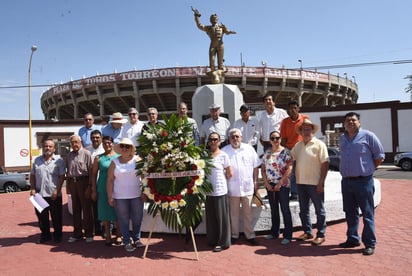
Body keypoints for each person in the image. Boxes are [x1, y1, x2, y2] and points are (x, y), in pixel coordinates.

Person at [338, 112, 385, 256]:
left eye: (353, 120)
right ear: (344, 124)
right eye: (348, 121)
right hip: (346, 182)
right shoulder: (342, 138)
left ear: (359, 122)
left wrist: (368, 169)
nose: (350, 122)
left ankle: (370, 243)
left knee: (367, 213)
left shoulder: (369, 136)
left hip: (363, 181)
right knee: (350, 213)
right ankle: (352, 239)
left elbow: (379, 156)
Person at [291, 119, 329, 246]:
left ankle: (321, 234)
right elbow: (290, 159)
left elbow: (325, 163)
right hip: (301, 183)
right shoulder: (298, 146)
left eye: (308, 129)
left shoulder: (319, 144)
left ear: (312, 131)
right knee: (303, 210)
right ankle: (308, 232)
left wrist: (321, 182)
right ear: (301, 132)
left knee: (320, 209)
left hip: (315, 183)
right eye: (304, 129)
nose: (306, 131)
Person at [222, 128, 261, 245]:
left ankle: (250, 235)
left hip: (247, 187)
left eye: (237, 136)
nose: (235, 139)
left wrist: (255, 182)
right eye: (233, 137)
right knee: (233, 214)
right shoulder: (224, 151)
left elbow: (255, 166)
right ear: (229, 139)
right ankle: (234, 235)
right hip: (232, 189)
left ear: (241, 137)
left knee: (248, 213)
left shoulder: (249, 149)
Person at [107, 137, 144, 252]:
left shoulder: (138, 160)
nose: (124, 148)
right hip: (120, 196)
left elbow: (145, 177)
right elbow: (110, 180)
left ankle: (136, 239)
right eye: (122, 146)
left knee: (137, 218)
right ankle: (127, 241)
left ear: (131, 148)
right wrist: (110, 196)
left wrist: (145, 192)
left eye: (127, 146)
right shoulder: (114, 162)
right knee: (123, 220)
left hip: (137, 195)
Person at [261, 131, 293, 245]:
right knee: (274, 209)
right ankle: (275, 232)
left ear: (280, 139)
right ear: (270, 140)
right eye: (272, 138)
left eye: (277, 138)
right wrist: (266, 184)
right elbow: (263, 169)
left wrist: (280, 182)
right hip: (270, 185)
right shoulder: (267, 153)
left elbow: (289, 168)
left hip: (282, 185)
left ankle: (288, 235)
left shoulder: (286, 152)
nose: (275, 140)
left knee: (285, 209)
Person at [30, 139, 66, 244]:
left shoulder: (59, 161)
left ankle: (58, 235)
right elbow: (32, 175)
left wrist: (57, 190)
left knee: (56, 217)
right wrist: (32, 188)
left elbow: (61, 176)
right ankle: (45, 235)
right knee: (42, 217)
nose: (48, 148)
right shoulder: (37, 160)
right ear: (43, 147)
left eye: (50, 146)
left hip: (54, 194)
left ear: (54, 149)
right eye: (46, 146)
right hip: (39, 194)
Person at [90, 136, 121, 246]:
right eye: (104, 143)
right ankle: (107, 235)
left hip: (117, 188)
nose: (107, 145)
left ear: (113, 144)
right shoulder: (98, 158)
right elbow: (93, 175)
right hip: (102, 188)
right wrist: (93, 189)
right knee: (105, 214)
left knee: (117, 213)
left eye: (109, 143)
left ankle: (118, 235)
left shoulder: (119, 157)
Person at [205, 132, 232, 252]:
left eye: (215, 139)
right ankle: (212, 239)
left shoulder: (224, 155)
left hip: (220, 190)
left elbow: (229, 173)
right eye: (211, 139)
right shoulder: (205, 155)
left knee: (222, 218)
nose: (213, 142)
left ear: (220, 141)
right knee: (211, 217)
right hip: (208, 191)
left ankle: (223, 242)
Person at [66, 135, 94, 243]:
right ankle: (77, 233)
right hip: (73, 183)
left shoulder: (86, 153)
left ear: (80, 142)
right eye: (72, 143)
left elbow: (91, 172)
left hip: (84, 182)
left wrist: (90, 187)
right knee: (76, 209)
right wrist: (68, 187)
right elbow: (67, 172)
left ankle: (88, 234)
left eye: (76, 142)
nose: (74, 144)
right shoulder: (69, 156)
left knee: (87, 210)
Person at [280, 100, 310, 201]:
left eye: (294, 108)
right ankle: (294, 193)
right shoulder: (285, 122)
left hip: (302, 149)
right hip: (290, 149)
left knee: (302, 170)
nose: (292, 110)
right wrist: (284, 152)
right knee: (291, 171)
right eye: (290, 108)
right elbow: (283, 139)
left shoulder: (305, 119)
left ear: (298, 108)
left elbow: (308, 134)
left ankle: (304, 191)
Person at [86, 129, 104, 236]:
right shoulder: (88, 150)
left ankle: (106, 229)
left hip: (103, 182)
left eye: (97, 137)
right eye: (93, 138)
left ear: (101, 138)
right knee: (95, 207)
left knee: (104, 206)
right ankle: (97, 228)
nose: (95, 139)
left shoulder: (106, 149)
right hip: (92, 182)